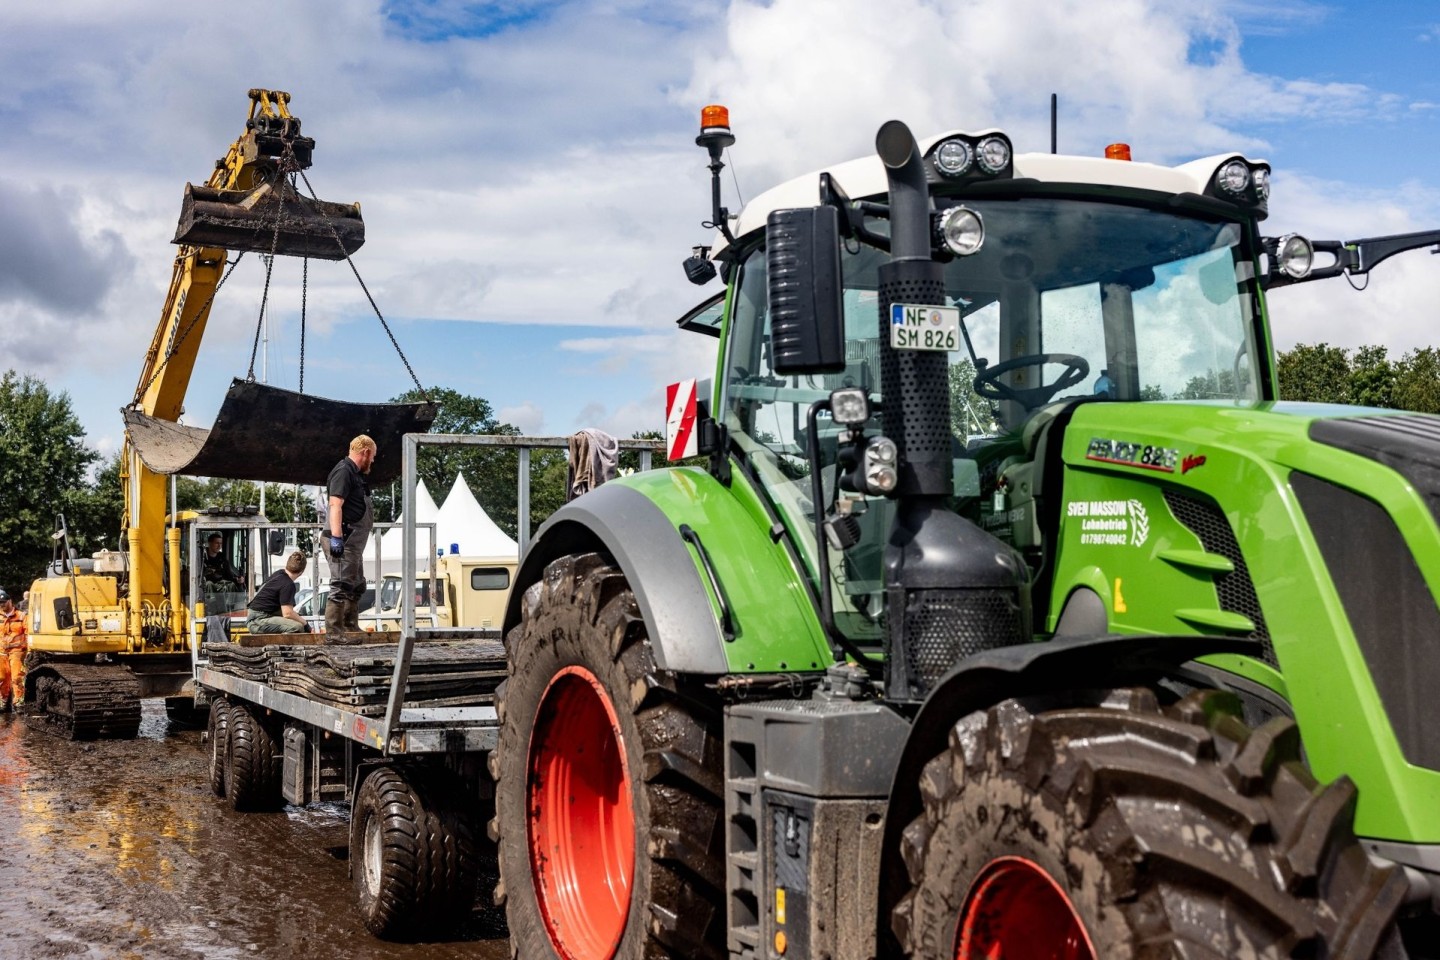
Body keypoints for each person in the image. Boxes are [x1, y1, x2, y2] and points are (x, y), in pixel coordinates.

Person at [325, 434, 376, 640]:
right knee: (341, 585)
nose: (372, 460)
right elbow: (335, 504)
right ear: (365, 453)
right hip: (344, 538)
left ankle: (349, 626)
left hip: (354, 542)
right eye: (372, 456)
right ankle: (334, 633)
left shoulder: (356, 475)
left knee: (356, 584)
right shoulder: (343, 471)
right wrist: (336, 537)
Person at [246, 552, 309, 635]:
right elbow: (287, 613)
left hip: (254, 617)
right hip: (258, 621)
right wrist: (306, 624)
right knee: (298, 627)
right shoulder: (288, 584)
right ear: (301, 572)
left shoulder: (279, 574)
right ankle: (282, 646)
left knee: (296, 619)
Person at [0, 589, 26, 712]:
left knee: (17, 677)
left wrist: (30, 651)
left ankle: (18, 703)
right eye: (0, 603)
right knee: (2, 678)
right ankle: (4, 702)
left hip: (17, 651)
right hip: (1, 651)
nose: (1, 605)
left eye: (4, 602)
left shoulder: (21, 616)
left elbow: (28, 633)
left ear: (10, 601)